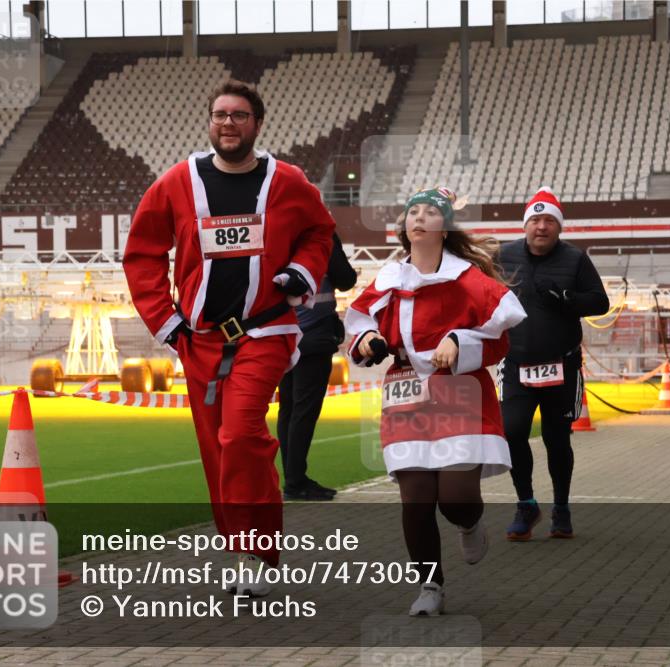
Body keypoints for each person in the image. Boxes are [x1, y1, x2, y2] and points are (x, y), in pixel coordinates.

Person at [123, 81, 334, 594]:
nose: (228, 123)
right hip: (199, 340)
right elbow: (143, 252)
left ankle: (260, 554)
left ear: (257, 123)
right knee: (217, 449)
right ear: (209, 122)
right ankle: (240, 550)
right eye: (219, 114)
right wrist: (165, 320)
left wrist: (301, 274)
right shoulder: (177, 182)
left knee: (240, 434)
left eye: (239, 115)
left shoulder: (287, 181)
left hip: (266, 330)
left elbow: (319, 232)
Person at [346, 187, 526, 616]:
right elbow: (358, 323)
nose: (420, 218)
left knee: (455, 497)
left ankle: (469, 522)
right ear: (404, 227)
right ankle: (430, 587)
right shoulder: (388, 279)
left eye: (430, 213)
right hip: (405, 391)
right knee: (416, 499)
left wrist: (459, 340)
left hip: (458, 391)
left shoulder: (467, 278)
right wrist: (368, 339)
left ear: (444, 227)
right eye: (413, 212)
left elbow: (501, 331)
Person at [496, 187, 609, 542]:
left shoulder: (574, 259)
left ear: (559, 228)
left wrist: (566, 299)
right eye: (535, 220)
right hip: (515, 365)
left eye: (548, 221)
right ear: (525, 225)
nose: (541, 227)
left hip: (562, 365)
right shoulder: (503, 255)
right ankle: (526, 503)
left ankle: (561, 507)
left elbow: (600, 302)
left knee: (556, 439)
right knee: (512, 433)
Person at [277, 232, 357, 501]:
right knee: (303, 411)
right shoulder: (320, 235)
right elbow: (346, 279)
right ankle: (296, 481)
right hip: (313, 334)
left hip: (281, 335)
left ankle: (292, 479)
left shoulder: (275, 231)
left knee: (288, 408)